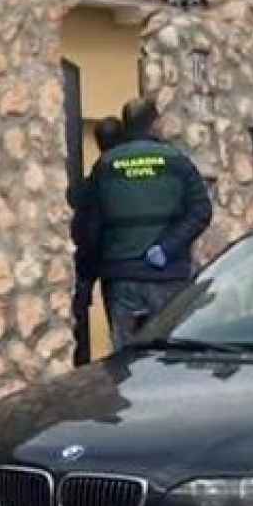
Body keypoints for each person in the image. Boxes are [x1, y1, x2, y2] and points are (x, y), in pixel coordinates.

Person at [82, 98, 213, 350]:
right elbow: (201, 210)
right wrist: (168, 247)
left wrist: (92, 272)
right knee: (168, 354)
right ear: (155, 123)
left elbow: (91, 226)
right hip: (167, 276)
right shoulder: (176, 161)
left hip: (121, 278)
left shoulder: (106, 164)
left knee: (125, 359)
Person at [70, 116, 126, 367]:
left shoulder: (100, 174)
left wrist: (86, 273)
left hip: (111, 267)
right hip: (144, 265)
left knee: (125, 347)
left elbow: (88, 226)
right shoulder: (124, 172)